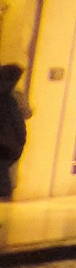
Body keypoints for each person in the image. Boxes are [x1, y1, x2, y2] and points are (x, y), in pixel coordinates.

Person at [0, 62, 26, 198]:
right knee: (5, 174)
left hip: (6, 142)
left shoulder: (12, 97)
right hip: (11, 143)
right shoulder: (15, 96)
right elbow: (26, 113)